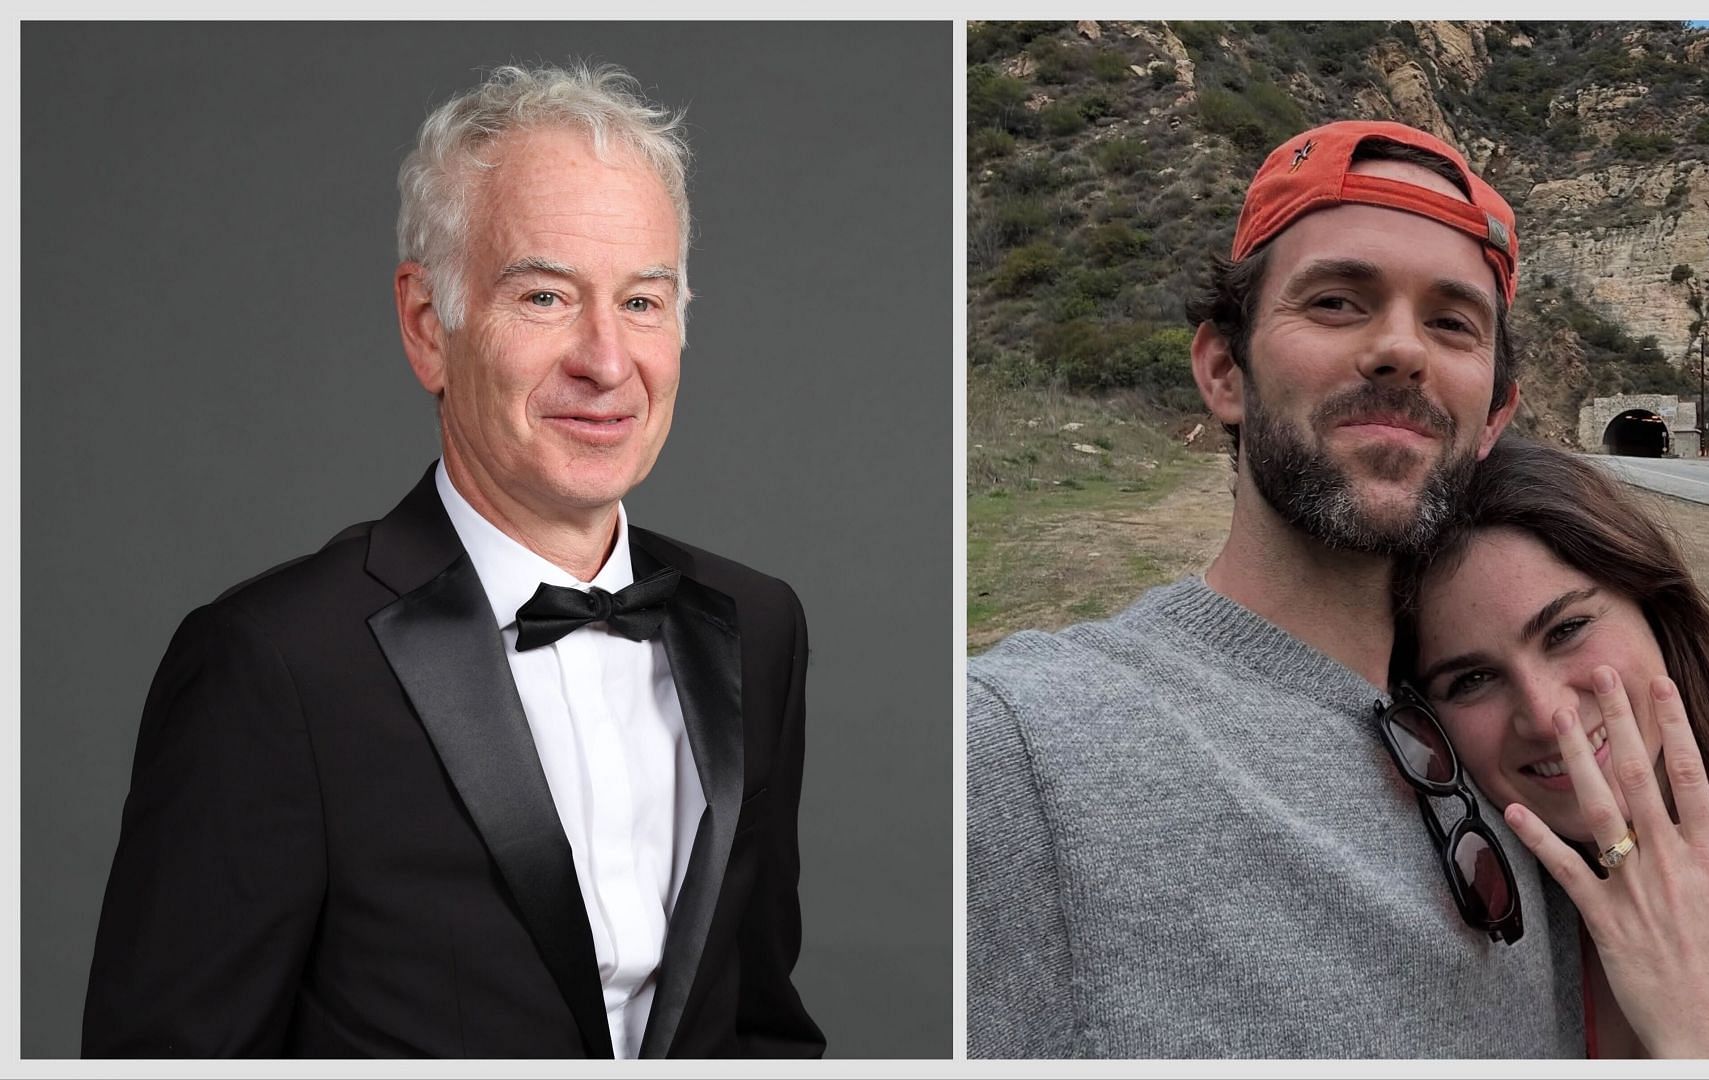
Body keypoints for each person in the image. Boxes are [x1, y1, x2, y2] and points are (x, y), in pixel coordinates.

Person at [82, 63, 824, 1059]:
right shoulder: (274, 666)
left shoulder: (757, 625)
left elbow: (758, 1029)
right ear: (430, 327)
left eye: (644, 302)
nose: (607, 361)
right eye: (548, 296)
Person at [968, 120, 1587, 1057]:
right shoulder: (1023, 747)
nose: (1400, 350)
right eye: (1338, 302)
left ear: (1494, 413)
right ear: (1224, 370)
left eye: (1453, 323)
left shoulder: (1510, 745)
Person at [1395, 436, 1709, 1058]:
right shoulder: (1479, 885)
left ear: (1656, 611)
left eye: (1568, 630)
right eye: (1471, 680)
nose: (1549, 715)